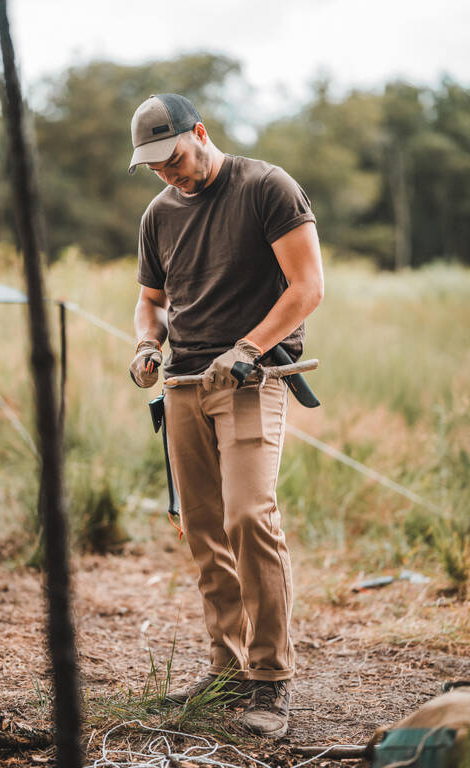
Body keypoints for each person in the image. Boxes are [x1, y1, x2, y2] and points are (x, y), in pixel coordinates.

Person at [128, 93, 323, 738]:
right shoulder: (158, 214)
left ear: (200, 133)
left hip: (251, 379)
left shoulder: (266, 187)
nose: (168, 173)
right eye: (155, 167)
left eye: (174, 158)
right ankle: (226, 668)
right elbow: (151, 301)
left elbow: (307, 288)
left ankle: (270, 681)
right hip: (183, 385)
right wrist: (146, 344)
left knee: (248, 515)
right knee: (204, 528)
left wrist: (248, 348)